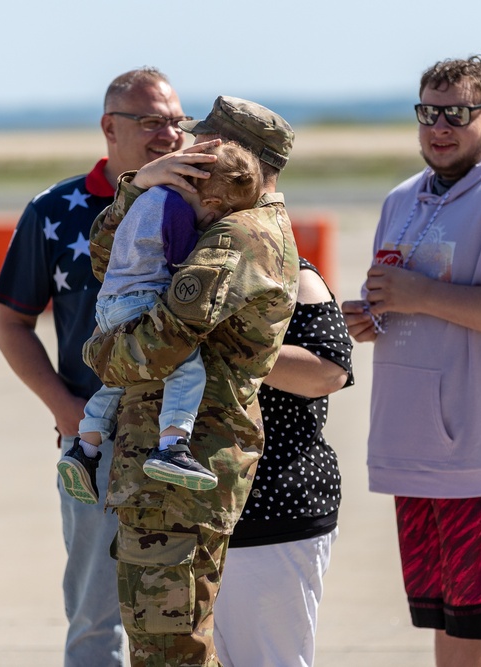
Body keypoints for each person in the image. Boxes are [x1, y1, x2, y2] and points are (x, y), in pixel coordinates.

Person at [341, 55, 481, 667]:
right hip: (420, 455)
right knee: (452, 619)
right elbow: (413, 299)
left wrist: (420, 295)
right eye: (429, 113)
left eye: (457, 114)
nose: (440, 127)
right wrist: (377, 317)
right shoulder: (404, 198)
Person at [83, 96, 300, 666]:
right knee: (164, 644)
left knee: (170, 651)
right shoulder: (213, 217)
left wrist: (97, 354)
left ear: (238, 157)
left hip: (184, 468)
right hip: (165, 472)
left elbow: (155, 347)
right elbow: (110, 262)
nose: (186, 148)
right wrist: (139, 189)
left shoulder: (237, 237)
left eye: (204, 143)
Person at [0, 67, 189, 667]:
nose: (169, 135)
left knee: (185, 613)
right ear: (110, 127)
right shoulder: (57, 211)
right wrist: (67, 412)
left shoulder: (198, 205)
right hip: (96, 445)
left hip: (185, 444)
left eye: (178, 121)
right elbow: (11, 325)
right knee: (94, 619)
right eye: (151, 121)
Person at [58, 141, 263, 504]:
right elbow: (181, 259)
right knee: (186, 369)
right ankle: (172, 446)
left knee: (121, 379)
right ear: (213, 203)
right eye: (220, 217)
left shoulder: (148, 198)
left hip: (108, 304)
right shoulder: (179, 210)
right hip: (139, 302)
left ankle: (84, 449)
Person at [214, 257, 354, 667]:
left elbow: (328, 372)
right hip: (187, 512)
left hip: (268, 512)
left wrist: (226, 345)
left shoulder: (292, 274)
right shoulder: (172, 263)